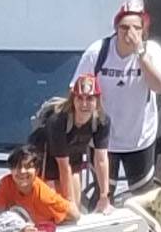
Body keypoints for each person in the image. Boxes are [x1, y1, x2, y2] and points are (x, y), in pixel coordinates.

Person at [78, 0, 161, 187]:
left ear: (144, 30)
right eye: (125, 27)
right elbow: (76, 91)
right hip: (103, 140)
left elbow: (160, 86)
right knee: (103, 195)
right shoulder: (97, 52)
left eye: (137, 28)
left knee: (142, 196)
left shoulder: (152, 52)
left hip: (140, 139)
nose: (130, 33)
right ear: (116, 29)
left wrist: (140, 54)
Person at [29, 74, 113, 212]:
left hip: (73, 160)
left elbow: (101, 159)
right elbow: (62, 165)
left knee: (77, 207)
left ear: (97, 100)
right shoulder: (58, 121)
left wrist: (104, 196)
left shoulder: (101, 121)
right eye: (80, 98)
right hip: (47, 161)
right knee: (56, 208)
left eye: (90, 99)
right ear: (73, 99)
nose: (84, 104)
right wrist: (69, 202)